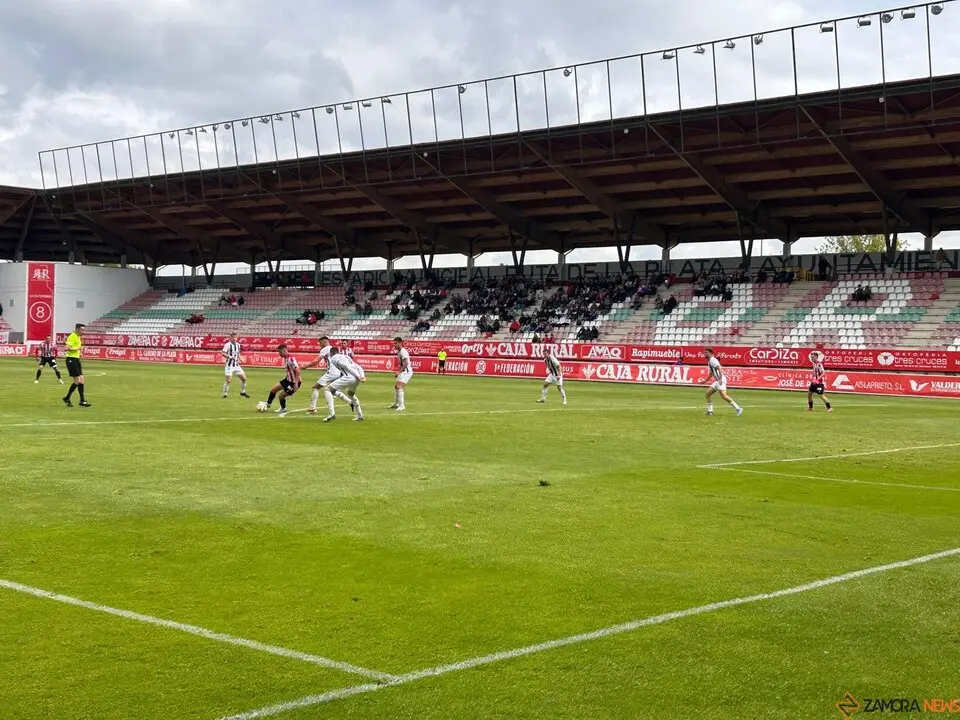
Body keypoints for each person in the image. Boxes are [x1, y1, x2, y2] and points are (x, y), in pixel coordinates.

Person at [318, 347, 367, 422]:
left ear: (331, 353)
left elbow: (346, 366)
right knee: (350, 394)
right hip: (356, 379)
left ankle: (332, 414)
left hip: (349, 377)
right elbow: (358, 367)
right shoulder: (346, 356)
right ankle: (360, 416)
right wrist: (362, 376)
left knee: (327, 389)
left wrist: (357, 376)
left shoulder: (334, 358)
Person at [303, 336, 343, 416]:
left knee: (315, 387)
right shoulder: (333, 349)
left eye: (320, 343)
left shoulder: (325, 349)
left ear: (324, 342)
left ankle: (313, 408)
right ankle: (350, 402)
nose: (319, 345)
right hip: (338, 372)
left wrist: (304, 366)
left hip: (331, 372)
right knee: (332, 391)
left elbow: (316, 361)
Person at [702, 348, 742, 417]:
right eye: (704, 352)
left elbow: (719, 369)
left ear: (710, 353)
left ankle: (738, 408)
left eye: (706, 353)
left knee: (723, 395)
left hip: (721, 380)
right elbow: (711, 373)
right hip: (717, 381)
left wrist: (720, 379)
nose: (704, 354)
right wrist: (705, 380)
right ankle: (710, 411)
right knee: (708, 394)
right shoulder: (709, 362)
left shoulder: (713, 360)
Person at [263, 344, 301, 417]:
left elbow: (298, 371)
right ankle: (268, 404)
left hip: (293, 382)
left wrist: (296, 383)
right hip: (288, 379)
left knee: (281, 396)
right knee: (274, 389)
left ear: (284, 351)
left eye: (280, 352)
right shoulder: (286, 358)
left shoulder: (291, 359)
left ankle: (283, 408)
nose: (279, 354)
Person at [62, 323, 91, 407]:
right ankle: (67, 398)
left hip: (76, 359)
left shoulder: (78, 337)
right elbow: (66, 348)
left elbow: (75, 348)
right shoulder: (72, 336)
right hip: (71, 360)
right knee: (78, 380)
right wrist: (77, 349)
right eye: (82, 330)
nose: (83, 331)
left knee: (81, 379)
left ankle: (81, 400)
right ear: (77, 329)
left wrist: (79, 353)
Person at [220, 333, 250, 398]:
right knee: (229, 380)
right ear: (230, 338)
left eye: (235, 337)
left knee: (244, 379)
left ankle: (243, 392)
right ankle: (225, 393)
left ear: (237, 338)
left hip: (236, 365)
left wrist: (241, 359)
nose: (234, 338)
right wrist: (230, 357)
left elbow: (238, 354)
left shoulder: (238, 345)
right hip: (229, 365)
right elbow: (223, 353)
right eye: (233, 337)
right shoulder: (227, 345)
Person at [389, 337, 412, 411]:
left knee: (399, 386)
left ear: (400, 343)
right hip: (403, 371)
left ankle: (402, 405)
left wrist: (399, 372)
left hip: (407, 371)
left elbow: (406, 363)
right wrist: (399, 371)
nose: (394, 345)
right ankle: (396, 403)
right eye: (394, 343)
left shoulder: (403, 351)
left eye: (395, 343)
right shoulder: (399, 352)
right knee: (396, 387)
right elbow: (402, 364)